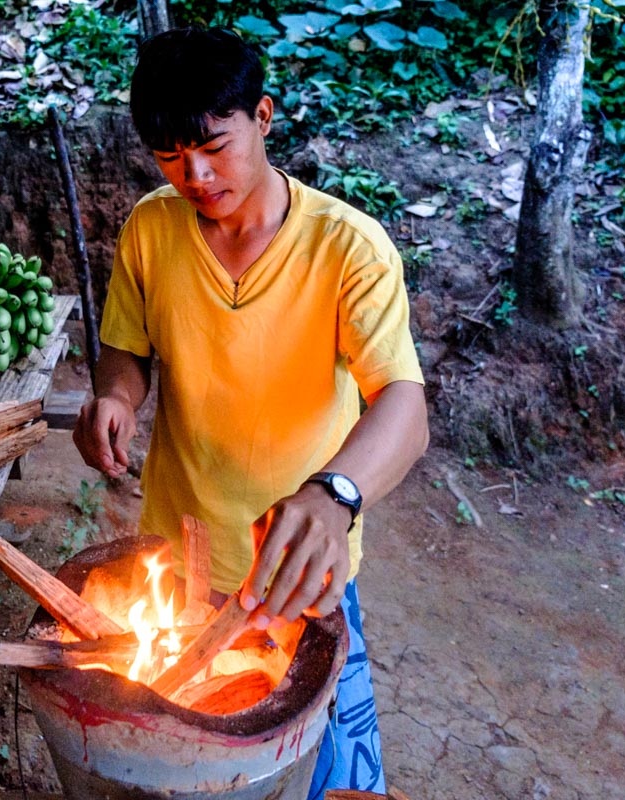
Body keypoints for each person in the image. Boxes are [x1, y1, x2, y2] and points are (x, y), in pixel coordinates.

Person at [72, 26, 428, 797]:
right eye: (169, 156)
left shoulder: (347, 249)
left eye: (214, 145)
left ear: (264, 116)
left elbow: (403, 403)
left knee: (326, 767)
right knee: (181, 760)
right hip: (179, 561)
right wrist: (116, 397)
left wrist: (335, 496)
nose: (195, 175)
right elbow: (125, 349)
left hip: (303, 571)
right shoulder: (150, 230)